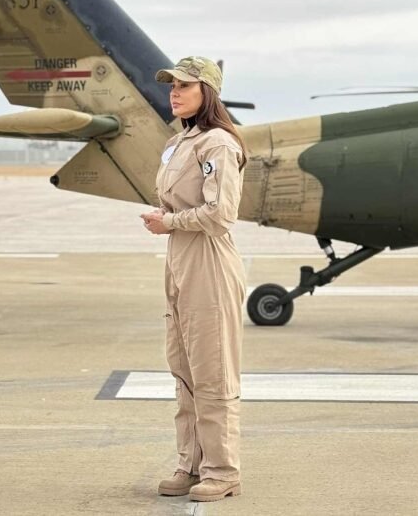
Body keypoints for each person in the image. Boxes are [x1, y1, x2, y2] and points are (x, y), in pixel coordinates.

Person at [140, 55, 248, 503]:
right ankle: (191, 463)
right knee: (183, 368)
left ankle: (222, 471)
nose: (175, 92)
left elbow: (221, 215)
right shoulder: (179, 142)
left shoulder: (218, 143)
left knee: (213, 370)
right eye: (172, 85)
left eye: (185, 85)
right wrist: (166, 217)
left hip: (208, 261)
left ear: (208, 92)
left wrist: (171, 222)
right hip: (179, 258)